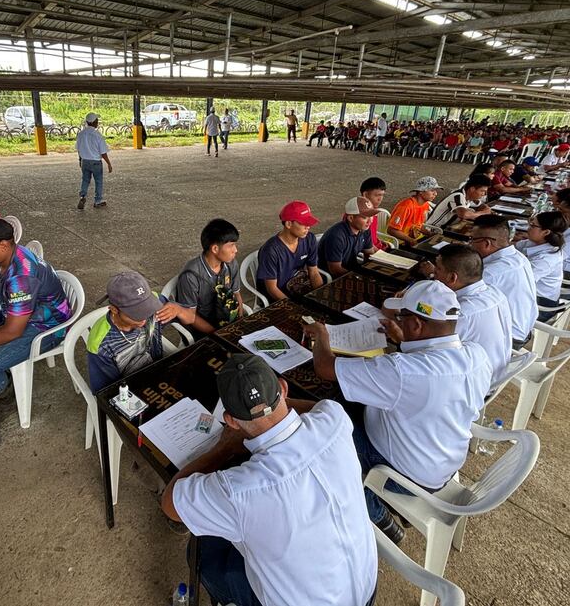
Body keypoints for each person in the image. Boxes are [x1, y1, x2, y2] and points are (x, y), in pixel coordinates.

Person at [162, 354, 378, 606]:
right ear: (283, 388)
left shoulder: (239, 491)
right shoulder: (335, 419)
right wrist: (271, 410)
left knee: (203, 552)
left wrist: (225, 449)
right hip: (366, 590)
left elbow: (169, 503)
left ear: (230, 420)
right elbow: (318, 406)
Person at [303, 280, 491, 543]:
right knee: (341, 404)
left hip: (402, 474)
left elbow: (324, 367)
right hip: (443, 460)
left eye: (402, 317)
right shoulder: (478, 355)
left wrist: (322, 337)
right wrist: (403, 340)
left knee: (324, 438)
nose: (397, 320)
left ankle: (376, 514)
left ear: (416, 324)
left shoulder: (404, 371)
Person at [0, 219, 72, 413]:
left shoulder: (21, 277)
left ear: (3, 245)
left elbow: (12, 331)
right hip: (18, 314)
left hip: (46, 328)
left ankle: (7, 397)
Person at [86, 271, 193, 391]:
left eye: (147, 307)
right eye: (136, 313)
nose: (145, 317)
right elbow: (107, 392)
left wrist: (178, 310)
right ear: (114, 310)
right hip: (130, 390)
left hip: (159, 374)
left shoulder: (156, 303)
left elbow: (191, 318)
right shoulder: (101, 345)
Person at [427, 245, 512, 387]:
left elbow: (427, 349)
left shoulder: (461, 314)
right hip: (496, 369)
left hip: (476, 383)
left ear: (452, 277)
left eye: (437, 270)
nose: (433, 274)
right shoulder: (494, 292)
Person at [470, 215, 538, 349]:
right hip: (523, 329)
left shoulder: (491, 273)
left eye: (472, 240)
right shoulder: (517, 256)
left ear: (487, 244)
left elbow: (456, 297)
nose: (469, 244)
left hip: (508, 339)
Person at [174, 219, 244, 335]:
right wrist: (218, 334)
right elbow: (190, 315)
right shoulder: (191, 276)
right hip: (203, 331)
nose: (235, 250)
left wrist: (239, 320)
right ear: (215, 249)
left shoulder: (231, 264)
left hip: (228, 324)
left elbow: (236, 294)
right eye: (231, 245)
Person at [255, 201, 323, 302]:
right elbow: (272, 289)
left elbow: (313, 272)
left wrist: (320, 295)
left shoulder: (309, 239)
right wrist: (294, 307)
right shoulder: (270, 250)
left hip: (298, 286)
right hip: (278, 297)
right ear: (288, 224)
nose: (308, 227)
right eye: (303, 223)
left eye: (308, 223)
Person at [515, 211, 566, 320]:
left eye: (533, 225)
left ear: (546, 232)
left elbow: (519, 283)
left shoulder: (546, 260)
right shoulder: (536, 242)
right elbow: (512, 248)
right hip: (530, 293)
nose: (528, 228)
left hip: (541, 304)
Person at [317, 197, 376, 278]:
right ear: (351, 218)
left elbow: (369, 254)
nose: (370, 221)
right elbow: (335, 270)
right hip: (332, 278)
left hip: (352, 270)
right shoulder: (336, 236)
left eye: (371, 216)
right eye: (365, 217)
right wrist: (360, 277)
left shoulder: (365, 229)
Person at [387, 176, 441, 246]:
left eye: (435, 191)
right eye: (432, 190)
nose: (435, 194)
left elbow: (418, 225)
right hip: (399, 243)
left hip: (414, 240)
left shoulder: (425, 205)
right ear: (421, 191)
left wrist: (429, 234)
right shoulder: (406, 206)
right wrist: (411, 240)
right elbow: (391, 230)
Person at [75, 112, 112, 209]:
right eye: (97, 121)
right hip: (96, 162)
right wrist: (109, 163)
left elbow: (78, 149)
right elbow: (103, 152)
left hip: (85, 161)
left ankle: (83, 196)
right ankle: (97, 201)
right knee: (98, 181)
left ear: (87, 122)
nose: (98, 122)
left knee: (85, 180)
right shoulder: (97, 135)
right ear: (95, 122)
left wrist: (80, 160)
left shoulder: (81, 134)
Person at [426, 174, 492, 228]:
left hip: (446, 228)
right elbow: (463, 214)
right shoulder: (457, 196)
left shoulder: (470, 197)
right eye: (482, 191)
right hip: (432, 230)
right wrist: (483, 213)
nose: (485, 194)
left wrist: (486, 209)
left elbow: (481, 205)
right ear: (472, 189)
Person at [359, 177, 390, 251]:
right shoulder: (357, 214)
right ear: (365, 194)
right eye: (377, 195)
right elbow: (361, 241)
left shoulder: (373, 211)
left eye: (382, 195)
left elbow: (371, 235)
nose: (380, 199)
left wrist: (380, 242)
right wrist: (378, 252)